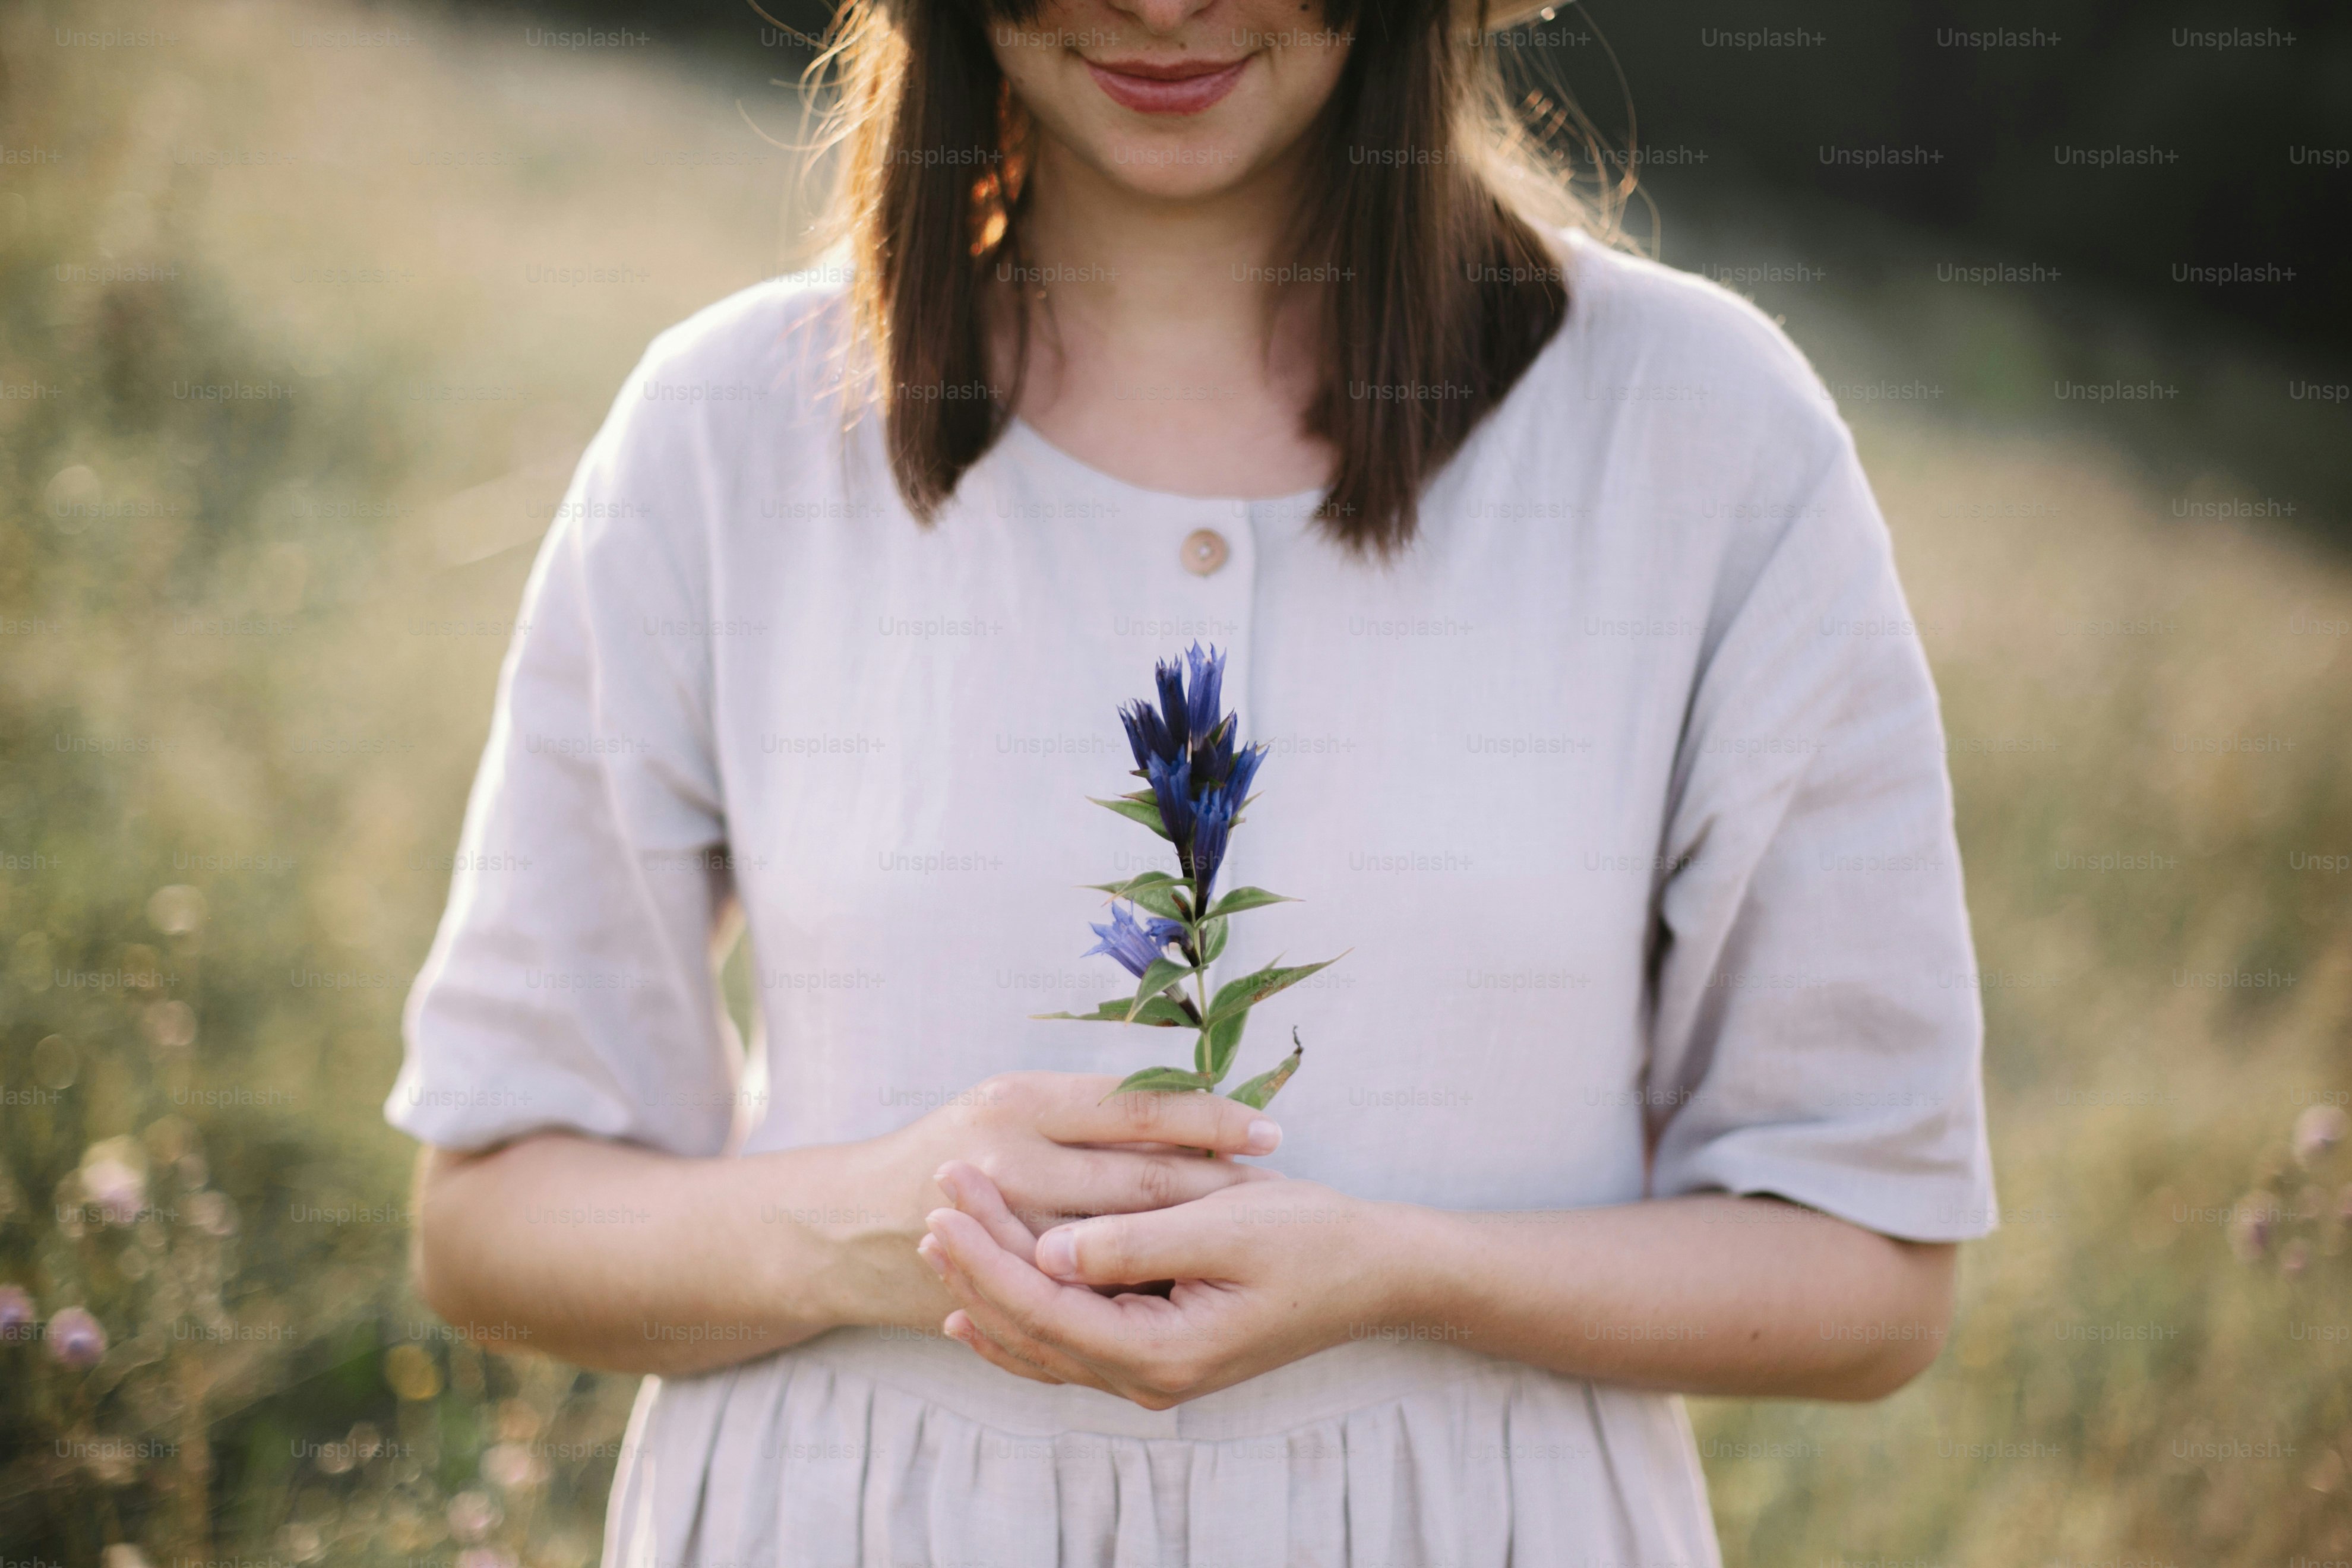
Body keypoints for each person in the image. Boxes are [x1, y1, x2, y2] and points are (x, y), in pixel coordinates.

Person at [388, 0, 1996, 1562]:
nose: (1164, 4)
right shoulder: (725, 431)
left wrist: (1399, 1273)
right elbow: (488, 1221)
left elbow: (1869, 1271)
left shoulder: (1700, 437)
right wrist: (873, 1231)